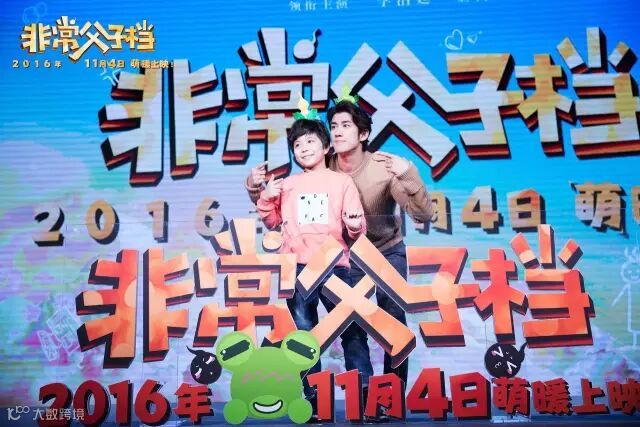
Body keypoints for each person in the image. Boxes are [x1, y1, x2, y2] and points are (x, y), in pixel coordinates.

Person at [247, 95, 433, 420]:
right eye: (333, 125)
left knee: (379, 324)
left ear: (362, 134)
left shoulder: (373, 171)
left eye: (346, 125)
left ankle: (380, 399)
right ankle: (316, 398)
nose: (338, 131)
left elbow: (419, 214)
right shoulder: (304, 174)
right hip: (319, 263)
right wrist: (258, 190)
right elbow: (275, 213)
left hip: (371, 254)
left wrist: (407, 175)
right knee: (314, 329)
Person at [256, 111, 372, 419]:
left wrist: (354, 225)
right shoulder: (287, 185)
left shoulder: (342, 181)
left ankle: (364, 397)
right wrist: (266, 198)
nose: (304, 148)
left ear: (326, 147)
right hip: (298, 268)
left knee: (352, 329)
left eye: (310, 142)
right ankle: (313, 401)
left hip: (336, 265)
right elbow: (272, 221)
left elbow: (356, 227)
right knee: (304, 335)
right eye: (297, 145)